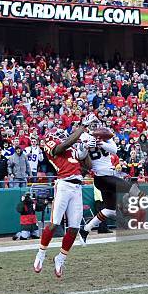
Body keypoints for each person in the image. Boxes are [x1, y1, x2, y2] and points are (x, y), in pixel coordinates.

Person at [33, 115, 93, 278]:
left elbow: (88, 166)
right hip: (63, 184)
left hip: (77, 187)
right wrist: (81, 128)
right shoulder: (52, 145)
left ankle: (60, 258)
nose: (61, 135)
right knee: (54, 224)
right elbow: (61, 147)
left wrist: (85, 148)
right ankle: (41, 254)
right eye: (57, 134)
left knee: (74, 228)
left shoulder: (72, 148)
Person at [78, 126, 141, 244]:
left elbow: (114, 150)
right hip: (101, 177)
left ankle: (85, 230)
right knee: (132, 189)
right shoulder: (84, 138)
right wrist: (86, 146)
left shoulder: (105, 138)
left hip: (109, 176)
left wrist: (100, 143)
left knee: (109, 210)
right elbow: (81, 156)